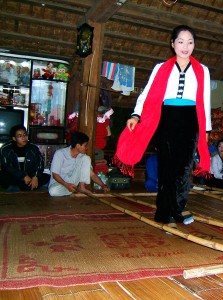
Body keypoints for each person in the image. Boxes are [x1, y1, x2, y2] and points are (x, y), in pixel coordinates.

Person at [113, 25, 211, 226]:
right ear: (172, 44)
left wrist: (206, 130)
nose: (185, 46)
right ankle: (165, 212)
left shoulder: (203, 70)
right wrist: (135, 115)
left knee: (184, 169)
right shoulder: (160, 68)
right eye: (181, 41)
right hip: (166, 120)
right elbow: (147, 94)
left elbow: (205, 101)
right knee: (166, 168)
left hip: (190, 121)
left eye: (190, 42)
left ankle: (178, 210)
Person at [48, 131, 110, 196]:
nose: (86, 148)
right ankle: (73, 190)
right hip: (59, 183)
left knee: (86, 158)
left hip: (72, 184)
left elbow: (92, 175)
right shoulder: (60, 153)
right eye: (85, 145)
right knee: (53, 191)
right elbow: (55, 174)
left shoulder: (82, 157)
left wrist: (103, 185)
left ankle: (82, 187)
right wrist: (66, 185)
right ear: (78, 146)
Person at [0, 125, 50, 192]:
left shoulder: (33, 148)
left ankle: (25, 186)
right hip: (14, 176)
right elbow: (7, 167)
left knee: (47, 177)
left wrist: (35, 177)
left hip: (30, 175)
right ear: (14, 138)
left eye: (25, 135)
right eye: (20, 136)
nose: (23, 138)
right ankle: (24, 187)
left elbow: (39, 163)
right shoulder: (6, 149)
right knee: (4, 177)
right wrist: (23, 176)